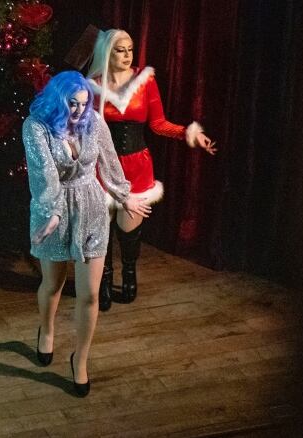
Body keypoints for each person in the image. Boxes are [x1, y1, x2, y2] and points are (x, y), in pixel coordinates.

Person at [23, 71, 150, 396]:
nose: (79, 111)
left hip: (91, 208)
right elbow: (45, 174)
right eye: (72, 104)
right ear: (57, 100)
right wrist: (51, 212)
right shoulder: (36, 126)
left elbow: (109, 162)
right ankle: (47, 330)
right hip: (54, 208)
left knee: (90, 294)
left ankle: (80, 359)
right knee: (53, 284)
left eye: (83, 103)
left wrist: (125, 195)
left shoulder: (93, 120)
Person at [86, 29, 217, 311]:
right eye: (120, 49)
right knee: (101, 229)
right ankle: (103, 281)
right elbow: (86, 129)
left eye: (130, 49)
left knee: (128, 229)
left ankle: (129, 274)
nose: (127, 55)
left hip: (136, 166)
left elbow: (158, 123)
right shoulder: (93, 85)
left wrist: (189, 134)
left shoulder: (144, 81)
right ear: (107, 52)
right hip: (103, 166)